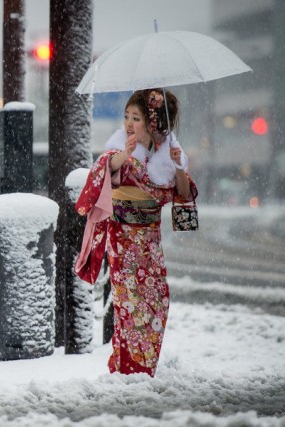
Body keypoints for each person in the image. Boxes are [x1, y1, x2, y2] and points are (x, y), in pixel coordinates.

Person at [75, 88, 197, 377]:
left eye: (137, 117)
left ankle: (142, 366)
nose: (129, 123)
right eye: (127, 116)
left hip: (151, 239)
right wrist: (124, 155)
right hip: (124, 238)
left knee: (157, 300)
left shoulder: (167, 153)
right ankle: (130, 369)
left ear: (153, 122)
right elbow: (105, 167)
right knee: (130, 303)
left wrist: (179, 166)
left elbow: (182, 194)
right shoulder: (119, 147)